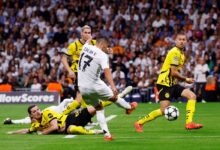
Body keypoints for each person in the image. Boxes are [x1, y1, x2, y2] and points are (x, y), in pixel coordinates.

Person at [134, 33, 203, 132]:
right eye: (180, 39)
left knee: (192, 96)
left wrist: (180, 79)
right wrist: (185, 79)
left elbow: (175, 73)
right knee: (163, 110)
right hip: (164, 83)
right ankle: (139, 123)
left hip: (172, 84)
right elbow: (173, 72)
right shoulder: (175, 52)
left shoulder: (182, 54)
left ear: (186, 41)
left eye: (184, 39)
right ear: (175, 41)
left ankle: (189, 123)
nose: (182, 41)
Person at [78, 36, 138, 141]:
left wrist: (90, 38)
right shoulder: (102, 55)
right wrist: (113, 87)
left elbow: (88, 42)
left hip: (82, 88)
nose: (108, 48)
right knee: (114, 98)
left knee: (99, 108)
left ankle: (107, 135)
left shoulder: (85, 47)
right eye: (107, 46)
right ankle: (129, 108)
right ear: (103, 45)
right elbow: (107, 71)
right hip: (94, 85)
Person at [61, 25, 112, 114]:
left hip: (90, 74)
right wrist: (69, 70)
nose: (88, 34)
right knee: (80, 98)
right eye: (85, 33)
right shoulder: (74, 45)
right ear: (81, 33)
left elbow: (105, 49)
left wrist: (108, 50)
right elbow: (63, 58)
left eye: (89, 33)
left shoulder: (95, 43)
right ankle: (61, 116)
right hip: (78, 73)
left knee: (84, 98)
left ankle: (78, 116)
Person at [7, 104, 103, 135]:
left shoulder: (47, 113)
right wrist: (12, 132)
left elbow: (55, 126)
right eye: (34, 111)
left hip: (70, 119)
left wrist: (43, 132)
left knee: (93, 108)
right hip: (67, 128)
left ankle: (112, 98)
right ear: (31, 115)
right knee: (73, 129)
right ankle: (96, 131)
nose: (38, 112)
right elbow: (27, 130)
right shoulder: (36, 125)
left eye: (38, 109)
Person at [3, 97, 74, 124]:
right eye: (34, 111)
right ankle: (11, 121)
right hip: (52, 111)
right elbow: (65, 101)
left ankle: (11, 121)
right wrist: (71, 100)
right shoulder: (59, 109)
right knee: (28, 120)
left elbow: (65, 101)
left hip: (52, 112)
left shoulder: (62, 110)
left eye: (37, 110)